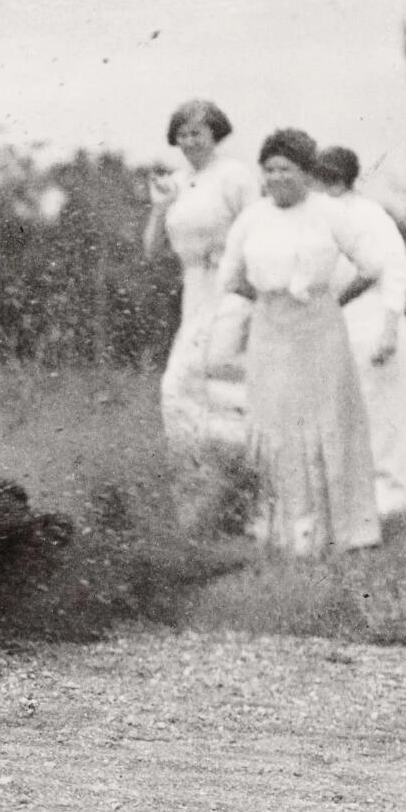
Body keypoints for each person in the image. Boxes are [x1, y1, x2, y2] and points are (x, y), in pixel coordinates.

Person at [217, 129, 388, 556]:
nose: (277, 177)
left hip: (319, 328)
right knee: (275, 424)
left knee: (326, 420)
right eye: (270, 169)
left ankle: (346, 530)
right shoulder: (252, 218)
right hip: (271, 330)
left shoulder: (329, 213)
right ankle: (286, 532)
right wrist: (268, 302)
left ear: (306, 172)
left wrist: (329, 301)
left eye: (286, 169)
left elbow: (370, 266)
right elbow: (231, 277)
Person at [143, 99, 261, 531]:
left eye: (199, 131)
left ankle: (251, 500)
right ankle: (203, 499)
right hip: (194, 291)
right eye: (183, 132)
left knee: (223, 384)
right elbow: (152, 250)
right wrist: (158, 207)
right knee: (183, 392)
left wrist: (237, 269)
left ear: (216, 132)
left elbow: (258, 231)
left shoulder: (234, 176)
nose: (190, 140)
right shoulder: (174, 182)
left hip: (233, 287)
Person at [311, 146, 406, 517]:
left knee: (386, 411)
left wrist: (390, 331)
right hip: (342, 323)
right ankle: (356, 497)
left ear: (338, 180)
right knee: (352, 411)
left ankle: (394, 497)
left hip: (376, 318)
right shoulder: (321, 216)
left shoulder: (368, 214)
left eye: (322, 177)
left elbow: (396, 272)